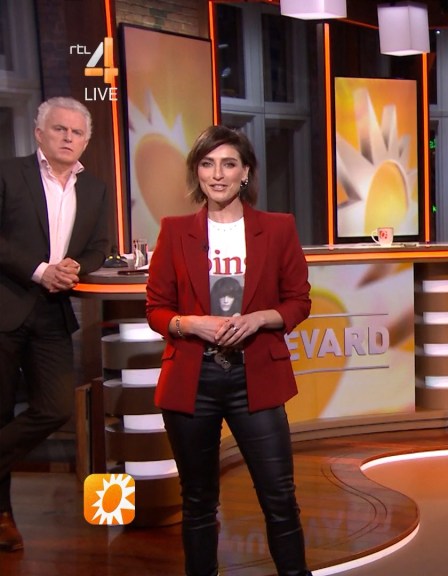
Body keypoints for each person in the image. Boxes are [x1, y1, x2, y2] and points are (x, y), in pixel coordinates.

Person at [146, 125, 312, 576]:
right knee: (198, 501)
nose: (217, 174)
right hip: (192, 380)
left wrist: (259, 319)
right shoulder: (175, 231)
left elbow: (299, 301)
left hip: (254, 377)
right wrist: (190, 323)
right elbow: (156, 309)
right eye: (207, 164)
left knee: (279, 497)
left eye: (228, 164)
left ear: (245, 173)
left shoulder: (277, 228)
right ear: (197, 172)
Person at [0, 97, 109, 552]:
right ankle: (3, 517)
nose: (68, 137)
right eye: (60, 129)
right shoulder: (9, 173)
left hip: (52, 313)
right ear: (39, 133)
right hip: (5, 307)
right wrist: (40, 270)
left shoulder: (96, 188)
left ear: (85, 141)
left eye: (76, 132)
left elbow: (99, 246)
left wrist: (74, 268)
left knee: (57, 407)